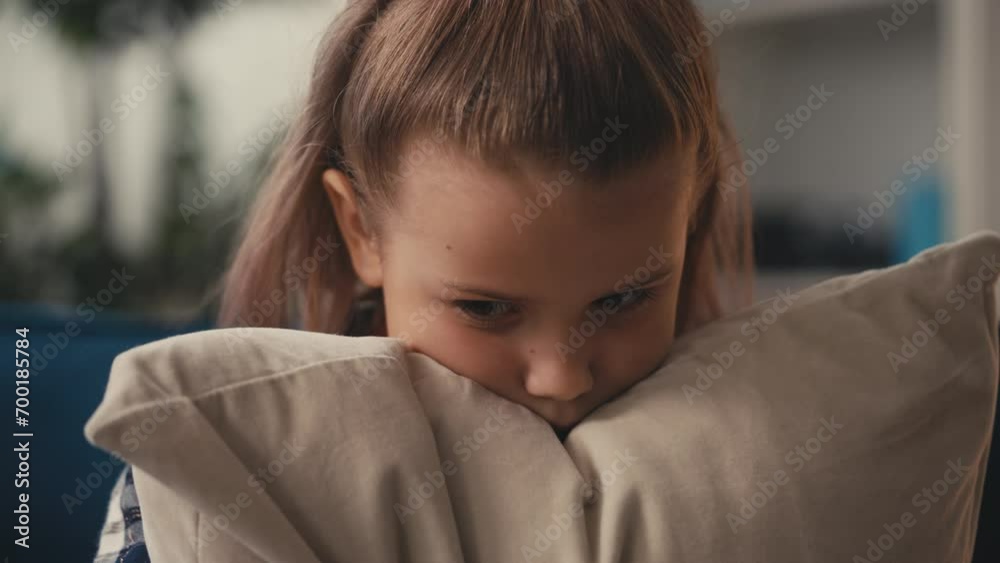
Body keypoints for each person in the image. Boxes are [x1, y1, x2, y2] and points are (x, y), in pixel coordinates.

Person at [92, 0, 753, 560]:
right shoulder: (215, 456)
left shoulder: (770, 436)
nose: (562, 377)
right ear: (361, 232)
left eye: (625, 297)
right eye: (485, 306)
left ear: (690, 218)